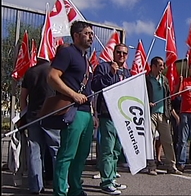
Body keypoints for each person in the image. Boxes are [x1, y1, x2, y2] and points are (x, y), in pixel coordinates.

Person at [48, 21, 96, 196]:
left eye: (92, 33)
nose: (91, 36)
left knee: (82, 155)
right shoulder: (68, 53)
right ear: (76, 36)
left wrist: (94, 114)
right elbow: (52, 77)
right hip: (72, 111)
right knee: (67, 154)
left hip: (86, 112)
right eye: (87, 33)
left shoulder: (85, 59)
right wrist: (73, 94)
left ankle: (75, 189)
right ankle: (60, 191)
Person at [92, 43, 131, 194]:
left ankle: (112, 177)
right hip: (107, 114)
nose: (121, 55)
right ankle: (106, 182)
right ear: (114, 53)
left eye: (124, 53)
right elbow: (95, 85)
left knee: (116, 150)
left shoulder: (128, 73)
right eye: (119, 52)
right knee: (107, 149)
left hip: (122, 116)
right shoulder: (103, 67)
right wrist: (110, 74)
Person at [20, 56, 61, 194]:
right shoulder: (53, 71)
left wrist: (23, 115)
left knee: (34, 152)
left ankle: (35, 186)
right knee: (56, 150)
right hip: (51, 115)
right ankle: (59, 184)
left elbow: (23, 97)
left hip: (33, 116)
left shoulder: (30, 72)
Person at [145, 56, 183, 175]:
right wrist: (147, 103)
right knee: (149, 140)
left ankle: (171, 166)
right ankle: (151, 166)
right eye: (160, 65)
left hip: (163, 114)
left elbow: (168, 99)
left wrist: (173, 114)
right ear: (154, 66)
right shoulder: (146, 80)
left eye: (163, 65)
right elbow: (141, 96)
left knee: (168, 140)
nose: (163, 67)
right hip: (150, 114)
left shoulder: (165, 80)